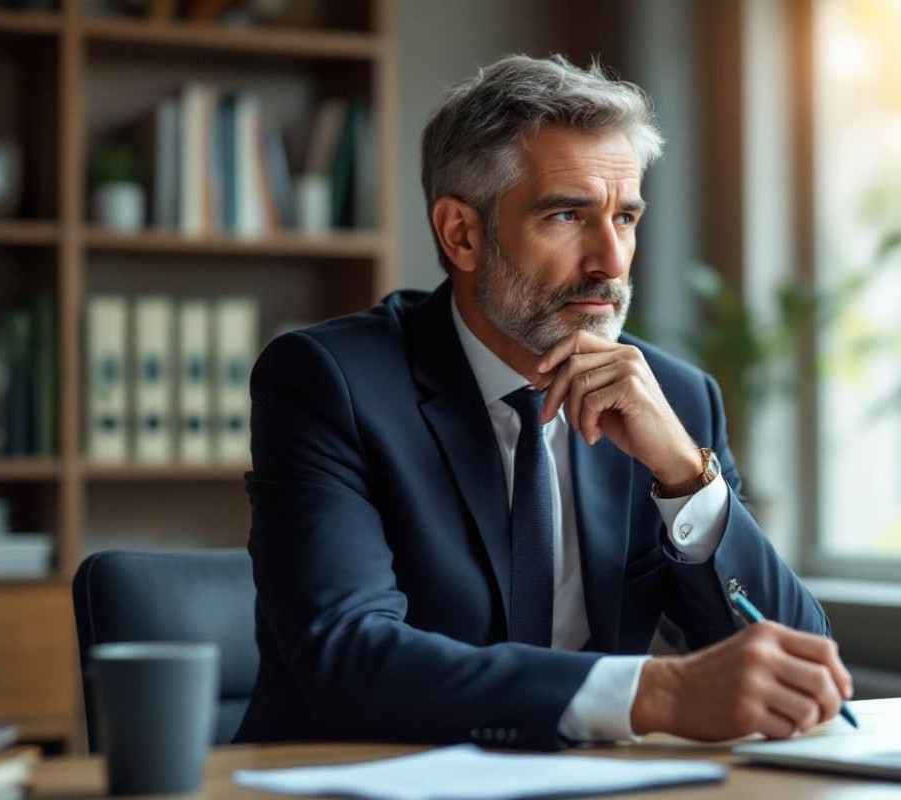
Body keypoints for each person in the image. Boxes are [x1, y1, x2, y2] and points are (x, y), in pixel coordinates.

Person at [237, 54, 851, 750]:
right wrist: (654, 693)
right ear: (462, 234)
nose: (611, 261)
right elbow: (347, 658)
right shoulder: (332, 383)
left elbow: (803, 671)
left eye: (625, 217)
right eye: (567, 215)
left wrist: (686, 476)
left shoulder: (674, 398)